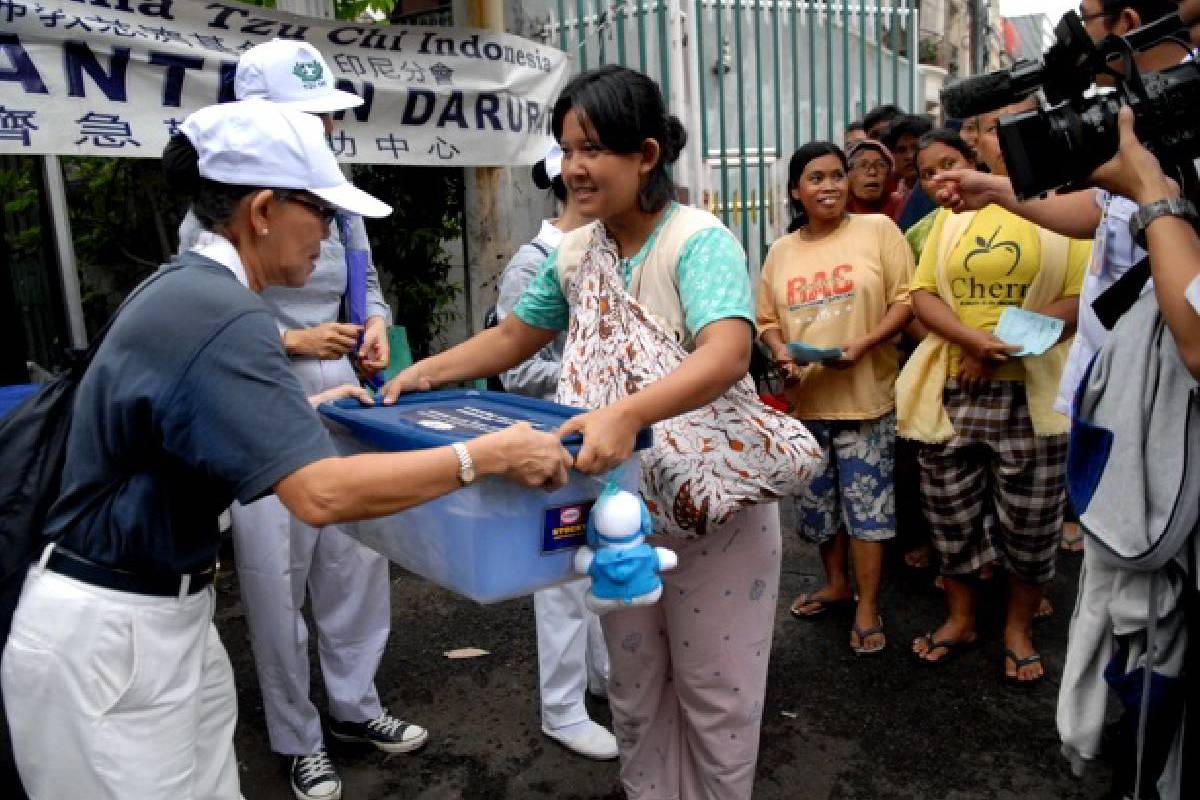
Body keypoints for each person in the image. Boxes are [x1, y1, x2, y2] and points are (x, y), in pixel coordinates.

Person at [0, 99, 572, 800]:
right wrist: (485, 457)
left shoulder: (192, 290)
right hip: (112, 638)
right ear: (263, 210)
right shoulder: (223, 313)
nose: (328, 236)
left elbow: (182, 425)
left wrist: (302, 409)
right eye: (322, 214)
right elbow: (320, 494)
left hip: (153, 619)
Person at [381, 64, 775, 800]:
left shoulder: (697, 241)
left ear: (646, 155)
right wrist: (423, 373)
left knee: (716, 694)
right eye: (566, 150)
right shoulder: (574, 254)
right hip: (616, 509)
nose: (574, 169)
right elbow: (511, 338)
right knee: (634, 686)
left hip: (709, 507)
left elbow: (727, 353)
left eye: (592, 148)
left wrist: (626, 412)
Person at [174, 38, 415, 800]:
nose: (327, 130)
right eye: (308, 118)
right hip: (260, 383)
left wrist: (372, 324)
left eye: (326, 117)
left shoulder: (331, 194)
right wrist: (291, 338)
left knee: (357, 552)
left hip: (345, 381)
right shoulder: (214, 213)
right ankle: (298, 735)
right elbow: (201, 313)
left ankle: (354, 705)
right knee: (279, 574)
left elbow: (365, 278)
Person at [929, 0, 1182, 556]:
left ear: (1127, 25)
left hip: (1165, 397)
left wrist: (1153, 198)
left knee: (1145, 556)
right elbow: (1099, 210)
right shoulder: (1130, 115)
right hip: (1108, 383)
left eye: (1085, 16)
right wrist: (995, 189)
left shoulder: (1181, 113)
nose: (1074, 32)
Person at [898, 100, 1090, 685]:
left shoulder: (1066, 203)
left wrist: (1002, 343)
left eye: (999, 123)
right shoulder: (956, 211)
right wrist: (968, 342)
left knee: (1030, 523)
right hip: (955, 384)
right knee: (950, 512)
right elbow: (923, 291)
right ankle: (961, 619)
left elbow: (1084, 296)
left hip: (1034, 392)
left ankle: (1018, 629)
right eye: (984, 126)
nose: (989, 133)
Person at [758, 141, 914, 656]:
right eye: (816, 178)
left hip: (867, 399)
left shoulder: (877, 230)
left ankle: (867, 605)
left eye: (835, 176)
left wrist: (864, 344)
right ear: (796, 191)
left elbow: (905, 301)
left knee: (869, 510)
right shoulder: (781, 251)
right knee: (819, 506)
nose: (829, 186)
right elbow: (768, 322)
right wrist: (782, 352)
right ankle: (835, 584)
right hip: (809, 403)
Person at [493, 146, 616, 761]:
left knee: (600, 562)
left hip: (604, 439)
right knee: (559, 580)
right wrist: (595, 376)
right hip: (553, 443)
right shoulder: (533, 264)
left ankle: (602, 679)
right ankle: (562, 708)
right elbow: (515, 372)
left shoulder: (607, 253)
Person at [883, 114, 938, 230]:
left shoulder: (942, 189)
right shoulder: (884, 193)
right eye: (901, 150)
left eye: (916, 148)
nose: (910, 156)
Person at [846, 139, 905, 218]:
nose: (872, 172)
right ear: (849, 174)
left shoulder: (902, 206)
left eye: (880, 165)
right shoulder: (839, 210)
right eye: (863, 165)